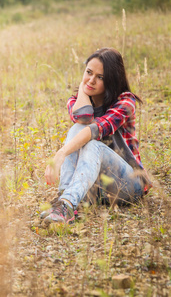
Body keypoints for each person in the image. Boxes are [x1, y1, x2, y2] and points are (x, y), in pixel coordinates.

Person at [41, 47, 151, 223]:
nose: (91, 80)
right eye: (88, 72)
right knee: (76, 129)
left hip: (129, 184)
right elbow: (84, 117)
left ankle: (67, 204)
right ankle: (65, 201)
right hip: (97, 188)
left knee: (91, 143)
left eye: (100, 77)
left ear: (112, 81)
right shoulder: (76, 101)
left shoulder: (125, 101)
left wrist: (60, 154)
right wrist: (82, 89)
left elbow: (95, 129)